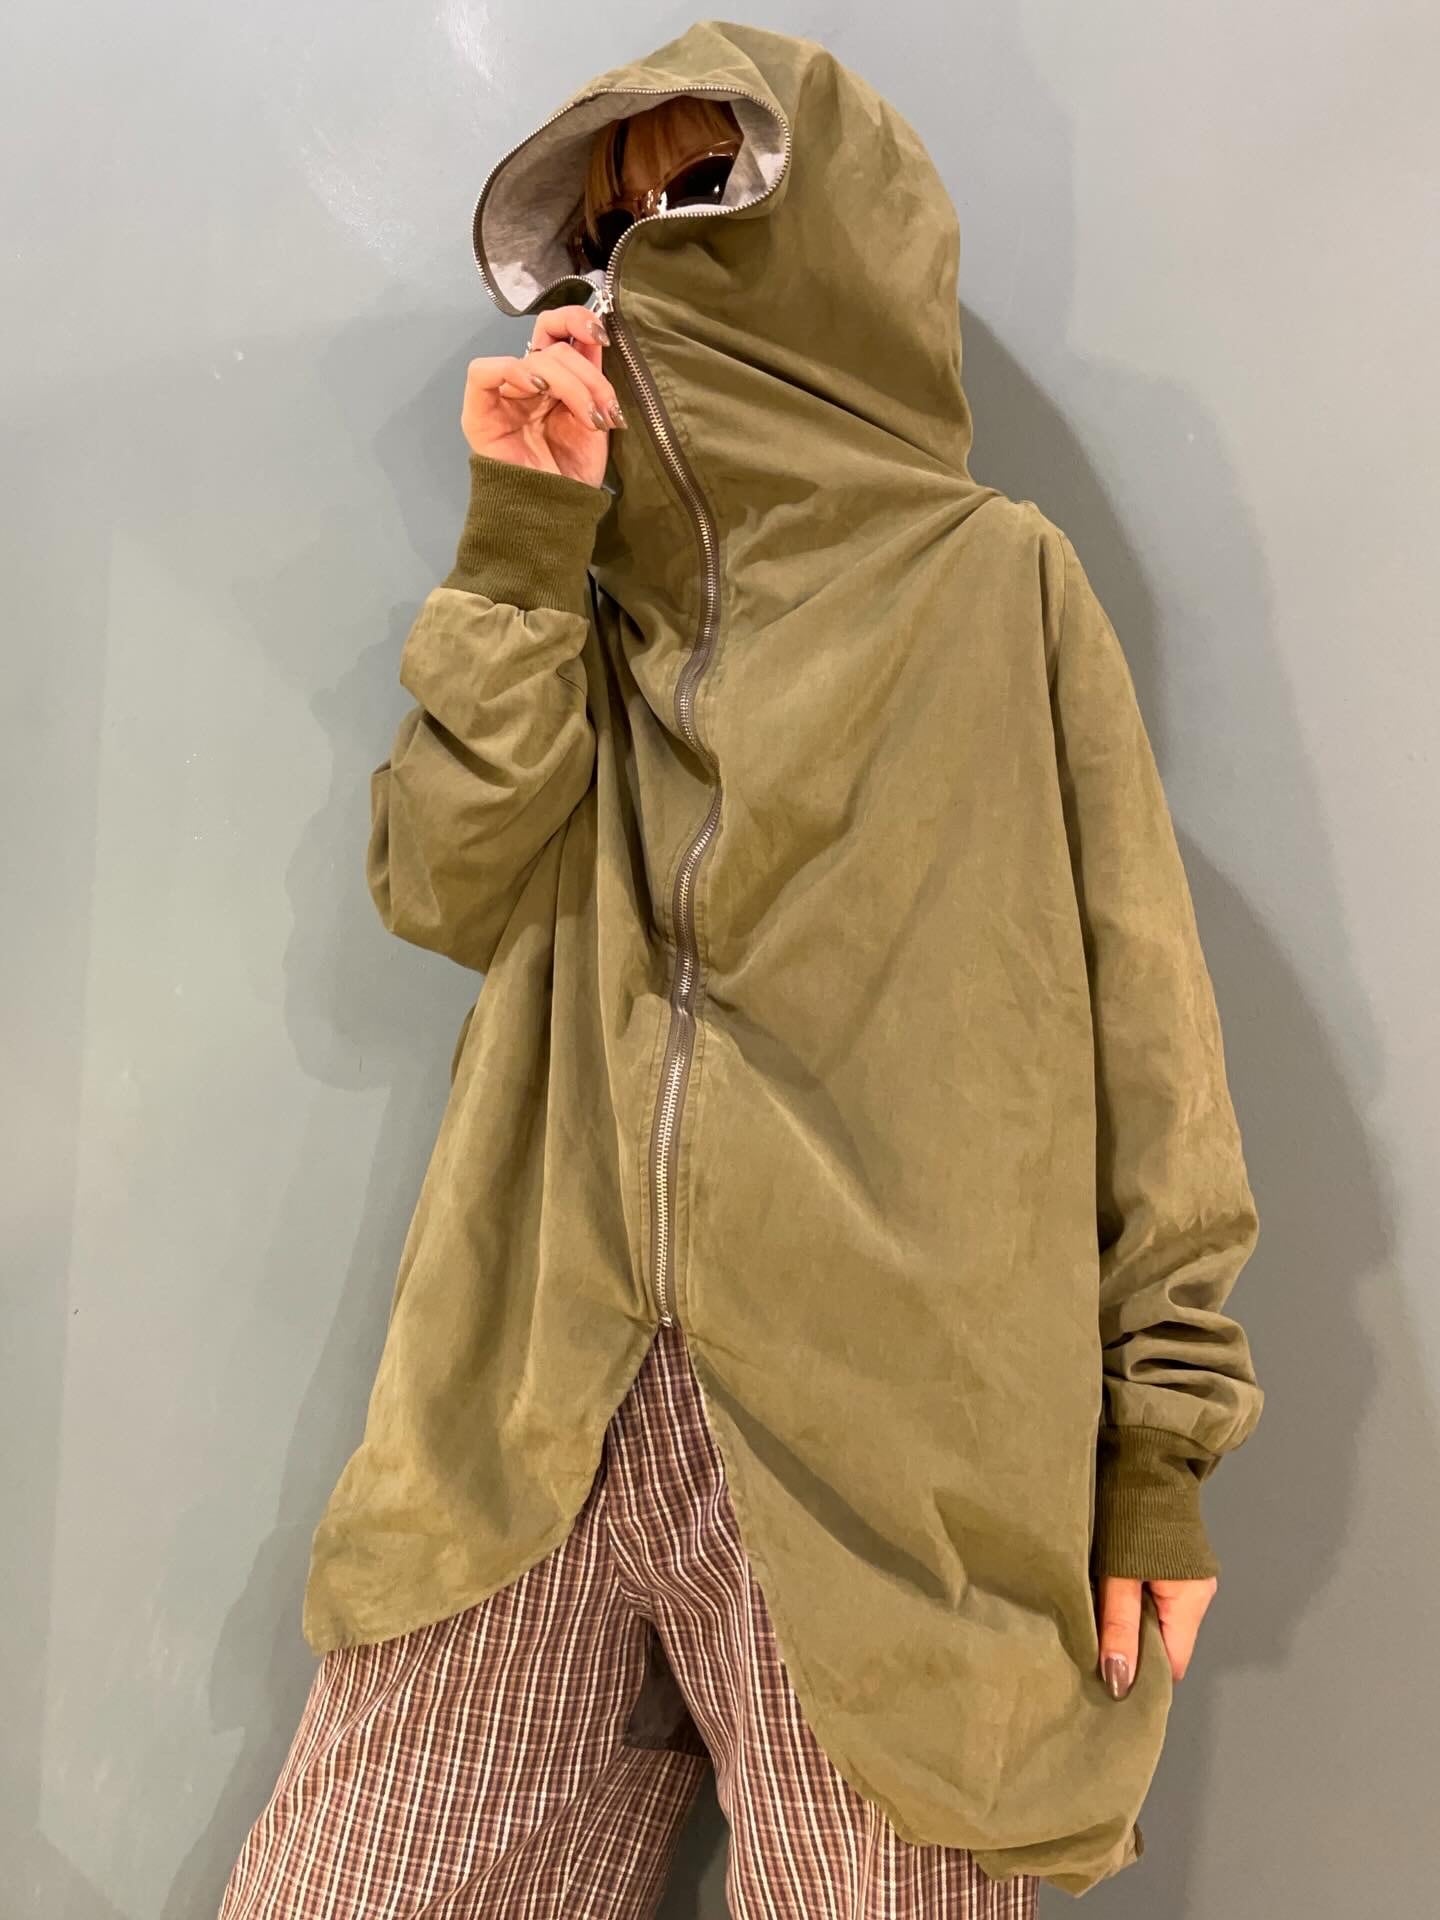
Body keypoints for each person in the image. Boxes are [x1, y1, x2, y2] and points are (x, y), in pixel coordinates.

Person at [216, 19, 1265, 1918]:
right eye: (605, 233)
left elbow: (1149, 1045)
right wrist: (521, 547)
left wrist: (1158, 1448)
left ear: (823, 227)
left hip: (893, 1488)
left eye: (699, 192)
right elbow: (437, 885)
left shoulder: (996, 586)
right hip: (526, 1428)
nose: (642, 263)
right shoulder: (582, 612)